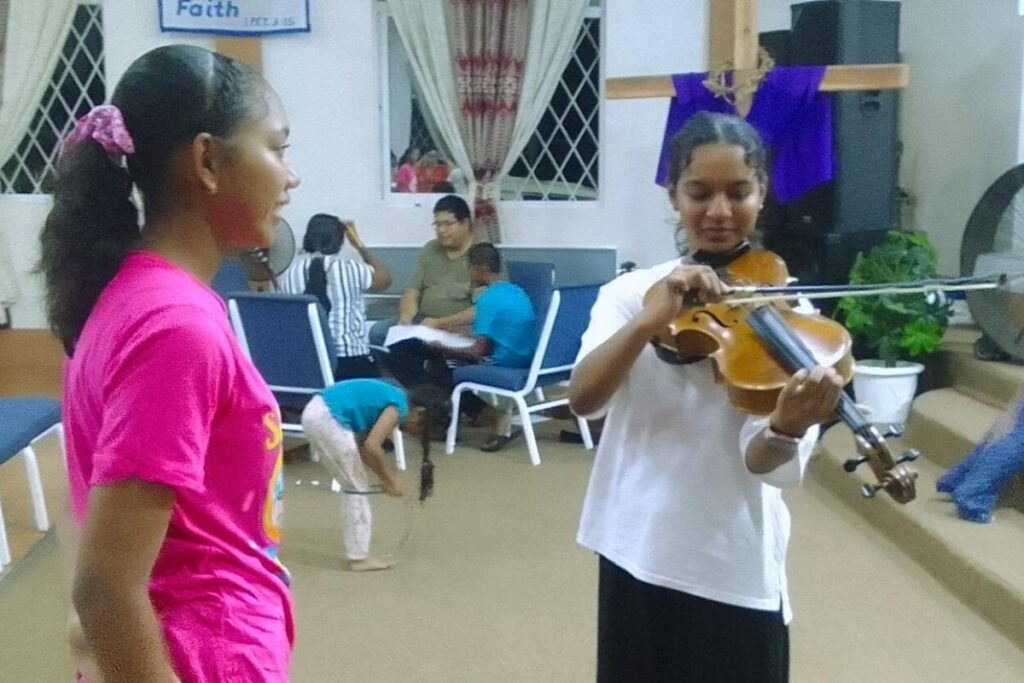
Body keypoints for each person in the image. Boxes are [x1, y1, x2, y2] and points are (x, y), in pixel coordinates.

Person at [38, 45, 300, 682]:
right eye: (278, 148)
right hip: (198, 659)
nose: (290, 178)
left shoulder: (147, 298)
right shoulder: (173, 328)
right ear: (208, 160)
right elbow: (105, 588)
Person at [567, 111, 846, 682]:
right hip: (634, 541)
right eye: (699, 192)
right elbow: (583, 399)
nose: (719, 212)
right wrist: (647, 323)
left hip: (729, 559)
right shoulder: (631, 293)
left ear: (762, 194)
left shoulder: (796, 319)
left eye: (738, 192)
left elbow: (762, 462)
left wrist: (786, 427)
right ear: (673, 194)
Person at [387, 243, 537, 451]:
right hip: (521, 353)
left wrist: (440, 344)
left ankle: (488, 415)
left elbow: (478, 350)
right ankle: (455, 414)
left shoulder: (488, 300)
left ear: (481, 269)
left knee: (423, 360)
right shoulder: (514, 291)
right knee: (434, 360)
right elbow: (497, 330)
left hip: (502, 359)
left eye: (470, 267)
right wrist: (455, 335)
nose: (468, 272)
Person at [300, 380, 450, 571]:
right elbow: (372, 446)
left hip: (318, 411)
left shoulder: (395, 397)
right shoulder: (398, 406)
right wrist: (389, 479)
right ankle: (359, 558)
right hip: (327, 418)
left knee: (355, 482)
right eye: (422, 429)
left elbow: (364, 447)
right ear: (419, 413)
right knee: (356, 489)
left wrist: (384, 478)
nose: (415, 435)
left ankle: (358, 554)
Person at [280, 213, 391, 379]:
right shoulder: (353, 269)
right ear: (340, 241)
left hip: (309, 365)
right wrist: (359, 245)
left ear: (307, 238)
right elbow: (385, 280)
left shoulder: (289, 275)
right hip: (351, 363)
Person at [368, 194, 476, 347]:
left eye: (447, 224)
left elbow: (483, 309)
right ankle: (408, 370)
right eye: (437, 224)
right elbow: (413, 291)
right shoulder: (430, 248)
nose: (441, 230)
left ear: (465, 223)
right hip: (423, 321)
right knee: (378, 333)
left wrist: (439, 323)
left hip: (459, 325)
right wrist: (406, 318)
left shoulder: (482, 254)